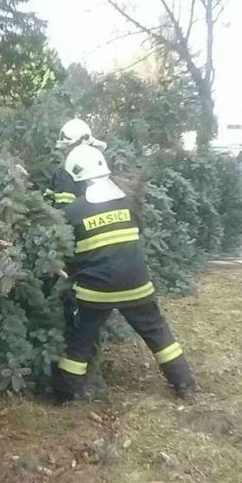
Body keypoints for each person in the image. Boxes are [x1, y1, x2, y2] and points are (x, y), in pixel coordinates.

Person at [53, 144, 196, 403]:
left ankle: (66, 395)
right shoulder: (129, 204)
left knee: (80, 340)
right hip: (136, 285)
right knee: (157, 333)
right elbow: (135, 236)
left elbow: (68, 253)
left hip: (94, 291)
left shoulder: (73, 212)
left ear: (78, 178)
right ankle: (184, 384)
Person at [45, 118, 107, 207]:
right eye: (64, 147)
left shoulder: (66, 171)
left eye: (69, 146)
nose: (65, 151)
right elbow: (50, 201)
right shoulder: (63, 170)